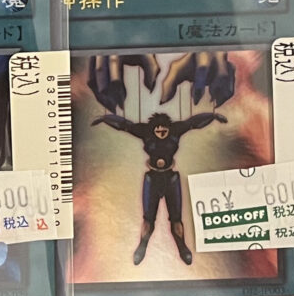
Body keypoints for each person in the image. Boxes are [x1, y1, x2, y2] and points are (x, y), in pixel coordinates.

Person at [91, 108, 228, 266]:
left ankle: (182, 247)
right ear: (153, 128)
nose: (161, 131)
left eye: (164, 129)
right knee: (148, 220)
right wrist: (105, 119)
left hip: (171, 178)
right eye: (158, 129)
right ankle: (142, 246)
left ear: (168, 128)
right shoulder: (146, 132)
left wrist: (212, 116)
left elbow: (193, 123)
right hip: (152, 178)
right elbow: (125, 125)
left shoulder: (175, 130)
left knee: (176, 219)